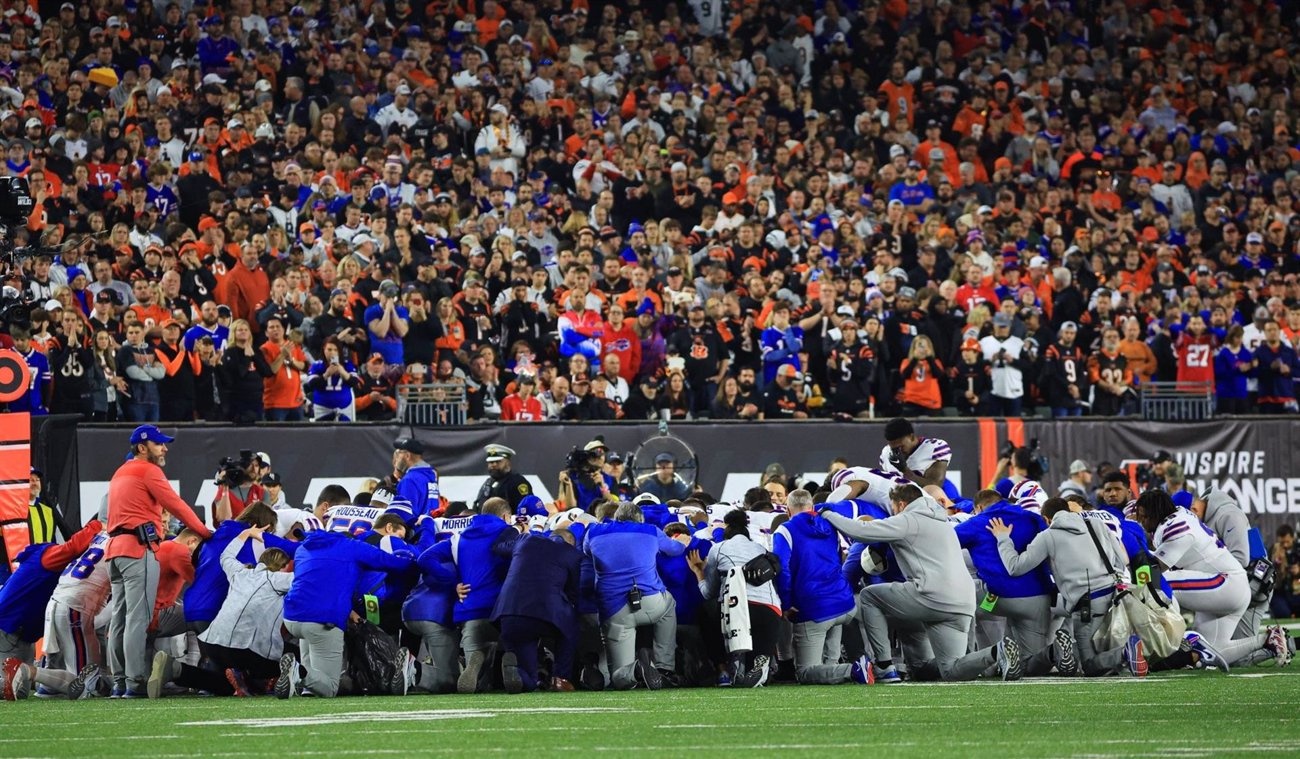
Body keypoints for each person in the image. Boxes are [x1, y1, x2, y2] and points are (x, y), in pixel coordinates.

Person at [821, 484, 1021, 683]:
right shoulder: (943, 522)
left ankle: (884, 667)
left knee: (868, 597)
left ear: (901, 504)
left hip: (932, 595)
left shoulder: (909, 519)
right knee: (950, 669)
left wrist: (829, 514)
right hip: (963, 601)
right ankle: (996, 652)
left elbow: (861, 531)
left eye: (893, 507)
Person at [104, 425, 211, 697]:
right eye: (158, 443)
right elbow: (176, 505)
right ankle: (134, 681)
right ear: (142, 447)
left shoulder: (120, 471)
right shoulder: (147, 470)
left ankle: (119, 681)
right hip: (137, 549)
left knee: (120, 619)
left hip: (115, 551)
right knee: (137, 619)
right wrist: (204, 532)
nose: (165, 448)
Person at [1133, 489, 1291, 670]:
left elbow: (1155, 569)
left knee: (1162, 583)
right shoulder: (1177, 515)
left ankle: (1172, 638)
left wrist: (1132, 537)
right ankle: (1267, 640)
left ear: (1156, 514)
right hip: (1227, 589)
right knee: (1213, 650)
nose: (1141, 521)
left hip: (1226, 584)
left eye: (1144, 517)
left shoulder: (1177, 528)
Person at [990, 497, 1138, 677]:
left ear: (1046, 519)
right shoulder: (1095, 523)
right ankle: (1117, 654)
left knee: (1089, 665)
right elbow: (1123, 559)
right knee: (1099, 646)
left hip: (1086, 605)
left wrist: (1003, 539)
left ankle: (1122, 653)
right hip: (1114, 595)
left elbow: (1015, 567)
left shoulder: (1048, 536)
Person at [277, 525, 416, 699]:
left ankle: (305, 682)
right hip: (322, 618)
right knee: (330, 687)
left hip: (292, 617)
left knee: (312, 658)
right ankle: (300, 673)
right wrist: (418, 565)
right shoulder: (352, 546)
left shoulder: (304, 548)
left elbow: (320, 583)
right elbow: (390, 562)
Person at [155, 526, 294, 697]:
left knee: (224, 685)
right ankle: (292, 678)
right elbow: (308, 578)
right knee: (294, 655)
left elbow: (226, 556)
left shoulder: (240, 573)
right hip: (247, 649)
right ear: (284, 566)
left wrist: (244, 535)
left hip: (214, 643)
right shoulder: (282, 579)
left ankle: (177, 670)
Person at [955, 489, 1064, 676]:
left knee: (958, 601)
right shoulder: (1033, 518)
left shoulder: (977, 522)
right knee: (1032, 664)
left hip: (997, 598)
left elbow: (942, 545)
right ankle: (1055, 653)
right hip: (1038, 598)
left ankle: (978, 660)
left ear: (979, 507)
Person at [771, 489, 872, 685]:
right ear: (811, 506)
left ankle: (854, 668)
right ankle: (844, 668)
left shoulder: (785, 530)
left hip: (814, 607)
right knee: (828, 660)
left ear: (787, 510)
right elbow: (837, 558)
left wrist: (786, 603)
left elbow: (781, 568)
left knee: (806, 672)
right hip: (844, 603)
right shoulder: (829, 525)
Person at [584, 501, 688, 690]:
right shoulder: (650, 530)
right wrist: (682, 542)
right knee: (669, 604)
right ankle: (665, 667)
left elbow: (586, 550)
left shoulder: (593, 532)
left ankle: (637, 670)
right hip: (651, 602)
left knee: (619, 678)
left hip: (614, 611)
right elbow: (675, 550)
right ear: (639, 519)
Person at [690, 509, 799, 688]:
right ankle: (760, 664)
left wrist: (698, 572)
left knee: (706, 610)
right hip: (770, 611)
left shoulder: (718, 549)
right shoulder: (761, 549)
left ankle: (724, 667)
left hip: (735, 610)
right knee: (755, 661)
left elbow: (708, 592)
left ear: (726, 530)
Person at [0, 520, 105, 699]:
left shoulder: (38, 558)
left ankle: (38, 670)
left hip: (22, 635)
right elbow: (71, 548)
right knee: (7, 687)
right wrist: (97, 526)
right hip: (9, 630)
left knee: (21, 688)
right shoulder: (46, 555)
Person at [424, 497, 516, 694]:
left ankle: (476, 663)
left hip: (470, 609)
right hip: (500, 610)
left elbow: (425, 558)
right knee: (516, 648)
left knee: (476, 677)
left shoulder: (459, 537)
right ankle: (514, 662)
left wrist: (453, 583)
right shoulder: (508, 532)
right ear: (506, 516)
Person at [494, 528, 582, 693]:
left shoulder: (524, 541)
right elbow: (574, 594)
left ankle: (518, 673)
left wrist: (510, 528)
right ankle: (560, 678)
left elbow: (498, 547)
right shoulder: (571, 553)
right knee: (571, 626)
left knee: (529, 677)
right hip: (546, 615)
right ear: (570, 543)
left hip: (508, 612)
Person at [474, 444, 535, 512]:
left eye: (498, 462)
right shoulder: (488, 482)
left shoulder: (518, 482)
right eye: (491, 462)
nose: (494, 465)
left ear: (508, 462)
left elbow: (526, 509)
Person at [393, 436, 440, 518]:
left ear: (407, 456)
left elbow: (405, 514)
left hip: (416, 529)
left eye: (399, 453)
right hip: (430, 527)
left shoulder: (409, 480)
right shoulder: (431, 475)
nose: (396, 458)